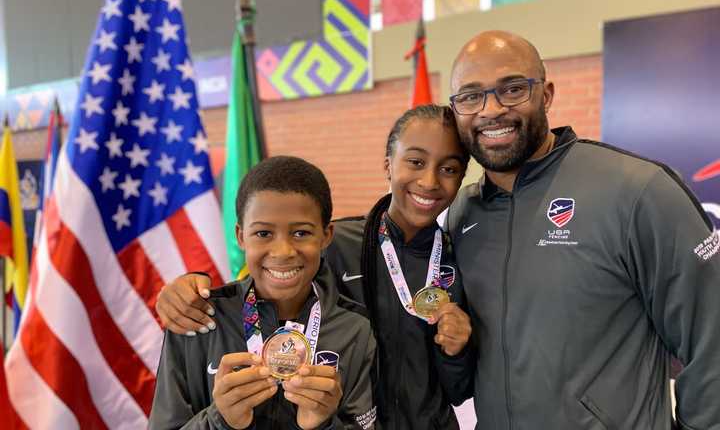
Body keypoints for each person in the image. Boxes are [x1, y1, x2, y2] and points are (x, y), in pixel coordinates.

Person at [445, 30, 720, 429]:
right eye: (470, 96)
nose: (490, 110)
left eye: (512, 89)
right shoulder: (462, 215)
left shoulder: (637, 191)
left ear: (547, 95)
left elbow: (711, 339)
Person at [155, 105, 475, 429]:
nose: (429, 180)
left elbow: (459, 389)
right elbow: (256, 282)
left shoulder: (459, 259)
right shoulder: (337, 243)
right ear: (388, 165)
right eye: (416, 162)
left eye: (449, 169)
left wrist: (457, 351)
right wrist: (189, 285)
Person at [150, 156, 377, 430]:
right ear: (241, 236)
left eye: (301, 233)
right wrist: (220, 420)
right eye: (263, 234)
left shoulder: (355, 330)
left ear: (327, 235)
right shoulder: (197, 319)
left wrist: (324, 425)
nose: (283, 251)